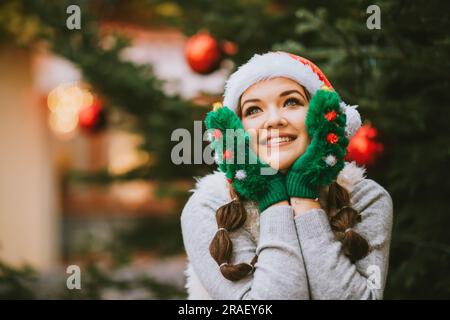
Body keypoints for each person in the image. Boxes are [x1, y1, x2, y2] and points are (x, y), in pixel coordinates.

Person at [181, 51, 393, 299]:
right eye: (253, 110)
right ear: (236, 129)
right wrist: (271, 194)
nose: (273, 120)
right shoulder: (210, 205)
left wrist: (304, 195)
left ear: (321, 116)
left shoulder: (365, 197)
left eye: (291, 102)